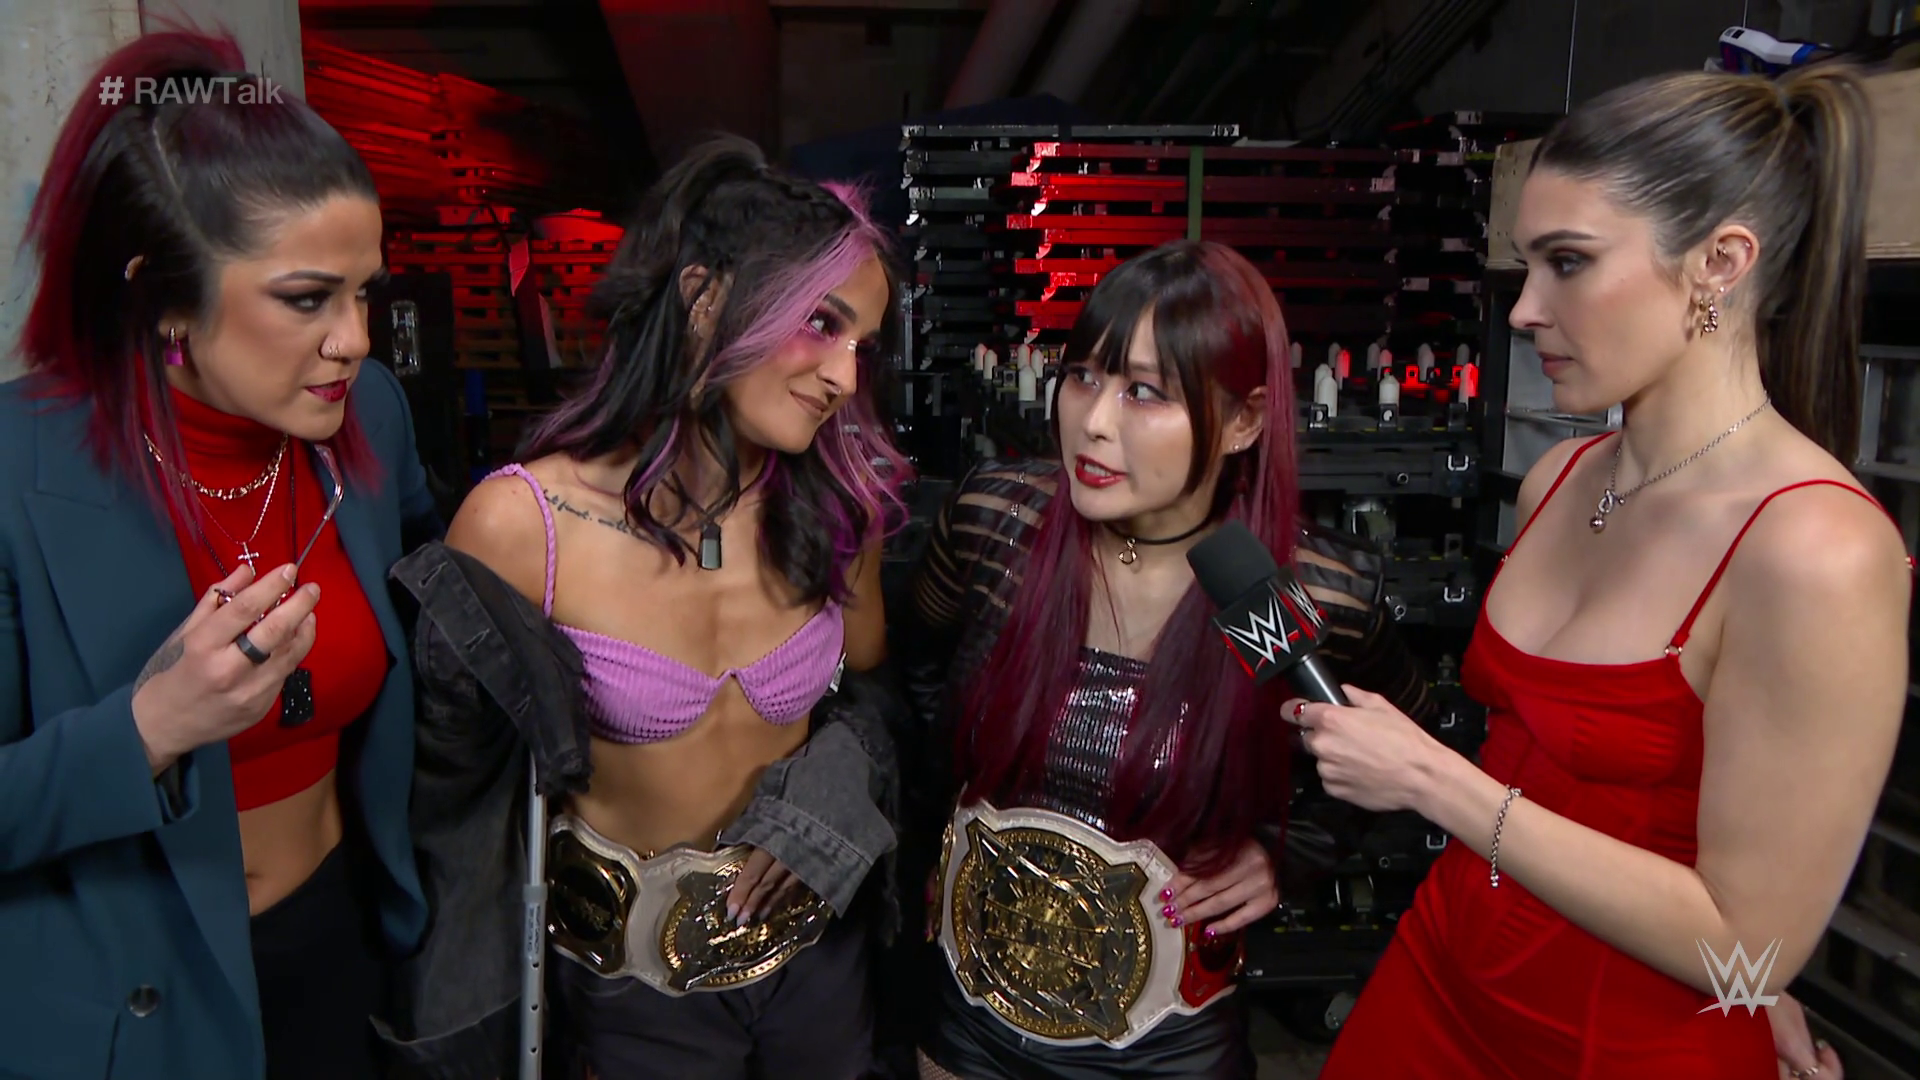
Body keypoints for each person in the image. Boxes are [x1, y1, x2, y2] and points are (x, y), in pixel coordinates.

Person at [1302, 63, 1909, 1079]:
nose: (1525, 310)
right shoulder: (1562, 479)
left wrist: (1431, 780)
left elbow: (1748, 956)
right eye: (1526, 265)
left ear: (1720, 263)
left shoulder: (1815, 552)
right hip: (1442, 977)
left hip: (1616, 1046)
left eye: (1569, 263)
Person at [0, 30, 439, 1080]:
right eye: (307, 299)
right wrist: (151, 728)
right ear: (161, 297)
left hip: (342, 958)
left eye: (365, 292)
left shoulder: (369, 416)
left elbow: (436, 597)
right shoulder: (19, 466)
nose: (354, 339)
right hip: (133, 1010)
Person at [895, 239, 1442, 1080]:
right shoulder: (997, 523)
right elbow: (915, 666)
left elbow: (1408, 751)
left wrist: (1290, 852)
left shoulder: (1287, 592)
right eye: (1084, 376)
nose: (1094, 421)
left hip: (1166, 1041)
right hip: (971, 1016)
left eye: (1144, 392)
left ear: (1244, 421)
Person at [422, 136, 909, 1080]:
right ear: (704, 298)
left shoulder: (840, 511)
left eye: (862, 344)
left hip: (818, 973)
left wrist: (841, 774)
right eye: (821, 323)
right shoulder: (524, 523)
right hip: (629, 999)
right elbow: (453, 809)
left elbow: (875, 694)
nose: (846, 378)